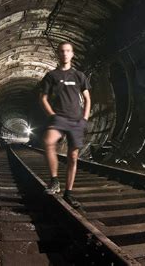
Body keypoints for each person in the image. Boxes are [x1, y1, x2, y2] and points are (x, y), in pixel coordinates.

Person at [39, 41, 91, 208]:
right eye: (62, 51)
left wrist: (85, 118)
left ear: (72, 54)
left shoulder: (79, 76)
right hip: (59, 117)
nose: (65, 54)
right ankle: (54, 181)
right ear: (58, 54)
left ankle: (69, 193)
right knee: (48, 142)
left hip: (76, 120)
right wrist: (52, 115)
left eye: (68, 51)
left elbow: (88, 99)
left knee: (73, 157)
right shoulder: (51, 76)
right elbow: (43, 98)